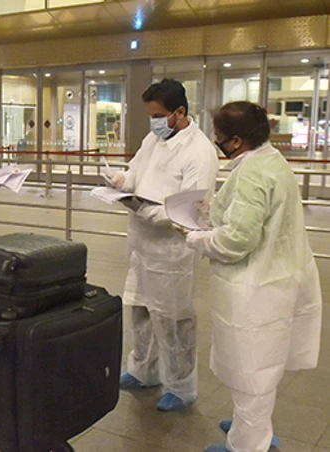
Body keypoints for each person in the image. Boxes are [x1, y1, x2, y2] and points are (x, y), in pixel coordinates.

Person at [184, 101, 322, 452]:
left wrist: (198, 239)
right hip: (277, 278)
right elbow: (252, 214)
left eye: (219, 136)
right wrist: (214, 210)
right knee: (260, 364)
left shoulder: (251, 173)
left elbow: (238, 239)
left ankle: (247, 444)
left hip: (256, 286)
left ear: (236, 141)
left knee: (251, 370)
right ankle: (253, 426)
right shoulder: (270, 161)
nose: (216, 142)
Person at [111, 78, 219, 411]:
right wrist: (121, 181)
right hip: (143, 245)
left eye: (158, 116)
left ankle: (181, 386)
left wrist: (144, 209)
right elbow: (135, 172)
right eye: (150, 116)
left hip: (173, 252)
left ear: (180, 112)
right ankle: (143, 370)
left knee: (173, 320)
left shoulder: (199, 152)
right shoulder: (153, 139)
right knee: (141, 310)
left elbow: (189, 210)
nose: (153, 122)